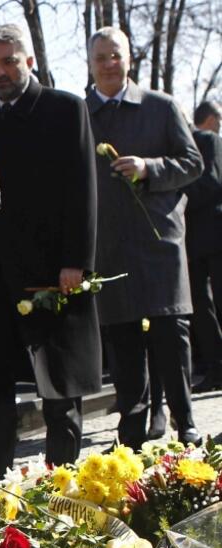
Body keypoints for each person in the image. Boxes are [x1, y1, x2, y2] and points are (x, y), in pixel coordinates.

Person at [0, 25, 102, 472]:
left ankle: (60, 481)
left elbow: (82, 188)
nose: (0, 71)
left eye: (9, 61)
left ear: (28, 61)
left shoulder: (65, 108)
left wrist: (76, 261)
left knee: (60, 387)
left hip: (54, 270)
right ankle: (0, 485)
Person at [86, 27, 203, 447]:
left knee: (172, 333)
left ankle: (185, 419)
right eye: (101, 57)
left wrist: (150, 168)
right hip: (110, 246)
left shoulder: (160, 106)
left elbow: (192, 163)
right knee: (124, 338)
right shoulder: (81, 115)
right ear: (90, 62)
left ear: (129, 58)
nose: (109, 64)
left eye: (115, 56)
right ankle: (132, 428)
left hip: (159, 241)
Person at [184, 101, 222, 393]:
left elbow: (212, 182)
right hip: (193, 240)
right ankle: (215, 368)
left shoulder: (208, 141)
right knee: (200, 305)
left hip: (213, 234)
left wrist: (176, 195)